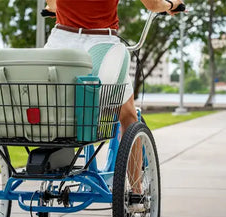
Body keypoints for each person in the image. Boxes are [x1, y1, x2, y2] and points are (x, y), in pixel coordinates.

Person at [44, 0, 183, 199]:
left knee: (58, 100)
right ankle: (137, 193)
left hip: (58, 45)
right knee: (128, 116)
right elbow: (153, 5)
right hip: (101, 47)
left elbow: (53, 4)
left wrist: (58, 10)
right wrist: (171, 4)